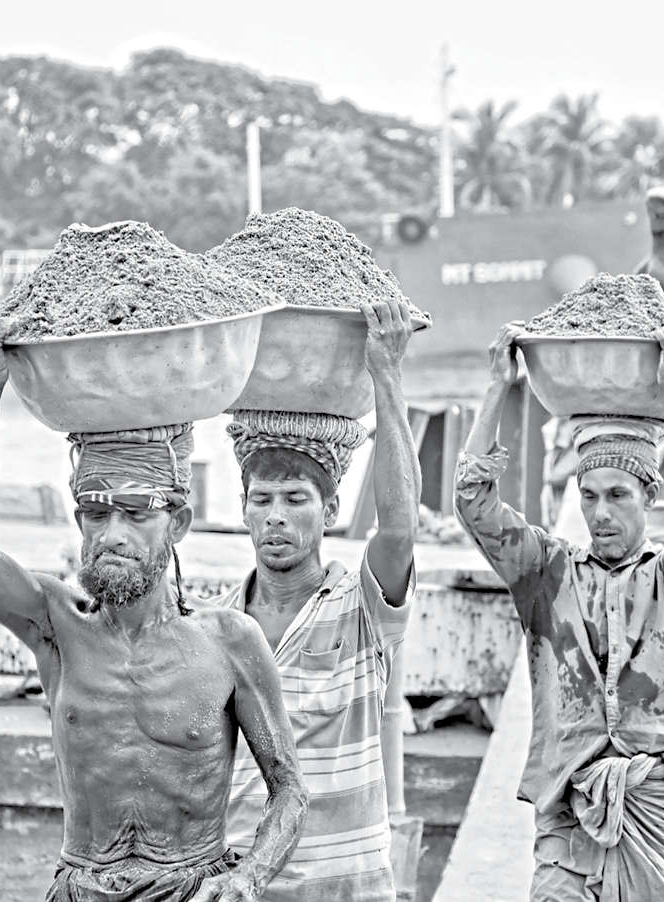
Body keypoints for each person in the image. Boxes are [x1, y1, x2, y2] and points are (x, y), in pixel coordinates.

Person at [0, 317, 307, 902]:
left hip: (192, 885)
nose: (112, 535)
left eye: (136, 514)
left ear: (177, 524)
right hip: (82, 884)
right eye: (96, 514)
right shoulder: (56, 623)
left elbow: (289, 788)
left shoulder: (230, 641)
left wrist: (248, 877)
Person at [455, 320, 664, 901]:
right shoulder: (546, 574)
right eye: (589, 495)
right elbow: (473, 503)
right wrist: (499, 388)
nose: (601, 513)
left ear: (649, 497)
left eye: (618, 495)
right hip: (567, 804)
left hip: (659, 802)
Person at [206, 296, 420, 900]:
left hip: (348, 887)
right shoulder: (216, 626)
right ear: (244, 510)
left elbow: (399, 528)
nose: (276, 516)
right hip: (242, 883)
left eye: (296, 499)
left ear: (329, 511)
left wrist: (386, 375)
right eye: (262, 500)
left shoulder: (362, 607)